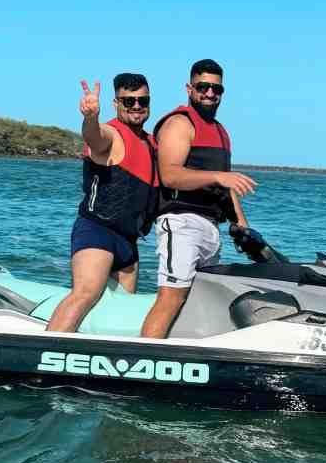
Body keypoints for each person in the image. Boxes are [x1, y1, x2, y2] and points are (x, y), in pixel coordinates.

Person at [141, 59, 256, 338]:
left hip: (210, 227)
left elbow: (225, 184)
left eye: (217, 89)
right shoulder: (179, 123)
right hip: (180, 223)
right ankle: (142, 357)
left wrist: (241, 224)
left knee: (200, 298)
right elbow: (170, 176)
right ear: (190, 88)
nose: (209, 93)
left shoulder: (220, 131)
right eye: (203, 87)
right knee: (171, 296)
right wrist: (218, 177)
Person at [45, 73, 158, 333]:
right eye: (129, 101)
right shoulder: (111, 134)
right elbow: (94, 137)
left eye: (143, 100)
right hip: (98, 231)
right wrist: (90, 117)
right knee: (85, 294)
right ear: (116, 103)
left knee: (121, 309)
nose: (137, 106)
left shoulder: (152, 143)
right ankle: (46, 353)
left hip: (128, 244)